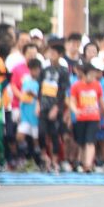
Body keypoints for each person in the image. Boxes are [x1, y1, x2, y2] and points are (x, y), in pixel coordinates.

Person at [69, 58, 104, 173]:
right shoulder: (76, 86)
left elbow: (102, 102)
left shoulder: (97, 85)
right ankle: (81, 163)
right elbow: (72, 101)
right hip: (81, 118)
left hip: (94, 118)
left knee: (90, 142)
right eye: (91, 75)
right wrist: (75, 110)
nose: (93, 77)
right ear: (84, 74)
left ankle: (88, 164)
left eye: (94, 75)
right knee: (81, 143)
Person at [37, 41, 70, 174]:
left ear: (60, 55)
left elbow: (63, 92)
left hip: (56, 108)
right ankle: (46, 158)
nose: (51, 55)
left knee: (55, 135)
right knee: (41, 133)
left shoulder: (63, 71)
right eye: (50, 53)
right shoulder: (44, 71)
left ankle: (55, 162)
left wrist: (57, 108)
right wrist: (38, 103)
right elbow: (40, 88)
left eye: (54, 53)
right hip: (43, 105)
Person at [17, 58, 44, 170]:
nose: (35, 72)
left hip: (36, 116)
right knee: (20, 136)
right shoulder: (26, 82)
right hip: (25, 114)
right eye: (33, 69)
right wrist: (19, 111)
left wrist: (35, 96)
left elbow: (42, 98)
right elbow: (22, 97)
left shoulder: (41, 83)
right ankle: (26, 156)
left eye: (37, 70)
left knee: (36, 140)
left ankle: (38, 161)